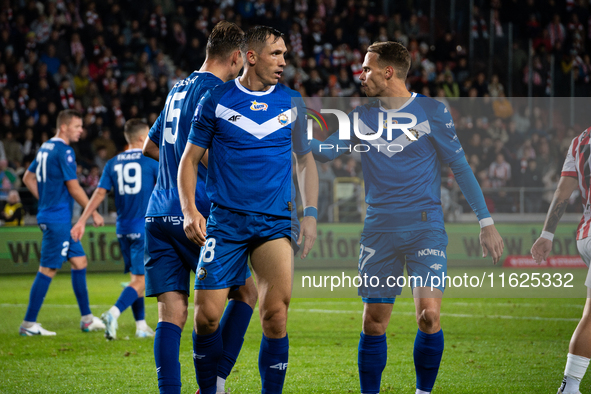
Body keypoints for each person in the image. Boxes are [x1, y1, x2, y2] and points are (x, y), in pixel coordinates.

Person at [310, 41, 504, 394]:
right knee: (374, 323)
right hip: (379, 230)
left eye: (367, 68)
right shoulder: (361, 116)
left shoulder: (432, 111)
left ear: (388, 72)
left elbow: (459, 167)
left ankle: (422, 392)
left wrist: (486, 221)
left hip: (425, 227)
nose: (361, 75)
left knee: (429, 316)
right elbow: (325, 153)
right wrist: (295, 134)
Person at [178, 26, 318, 394]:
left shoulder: (291, 101)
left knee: (275, 316)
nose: (283, 62)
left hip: (274, 222)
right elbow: (189, 160)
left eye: (285, 54)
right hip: (225, 224)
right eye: (276, 54)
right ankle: (211, 390)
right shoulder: (216, 98)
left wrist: (311, 214)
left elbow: (305, 161)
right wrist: (190, 209)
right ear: (251, 57)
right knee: (207, 317)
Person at [142, 21, 257, 394]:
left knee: (169, 315)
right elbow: (208, 154)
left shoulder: (177, 87)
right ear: (237, 57)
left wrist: (179, 164)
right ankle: (216, 383)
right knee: (247, 294)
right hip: (198, 214)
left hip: (158, 213)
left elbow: (149, 146)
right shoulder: (220, 91)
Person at [19, 109, 106, 336]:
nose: (81, 131)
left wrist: (45, 199)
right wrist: (93, 211)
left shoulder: (45, 146)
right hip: (57, 219)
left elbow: (28, 178)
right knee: (48, 268)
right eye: (77, 126)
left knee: (79, 261)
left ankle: (87, 319)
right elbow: (74, 186)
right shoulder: (64, 151)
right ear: (64, 126)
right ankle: (28, 324)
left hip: (55, 216)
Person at [71, 119, 158, 340]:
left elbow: (99, 194)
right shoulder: (152, 160)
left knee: (135, 278)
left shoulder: (112, 163)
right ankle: (113, 313)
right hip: (144, 226)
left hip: (123, 228)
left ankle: (140, 326)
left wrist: (82, 220)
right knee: (143, 281)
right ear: (141, 138)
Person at [531, 127, 591, 394]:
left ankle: (570, 386)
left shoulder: (580, 140)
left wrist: (546, 234)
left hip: (586, 234)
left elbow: (563, 191)